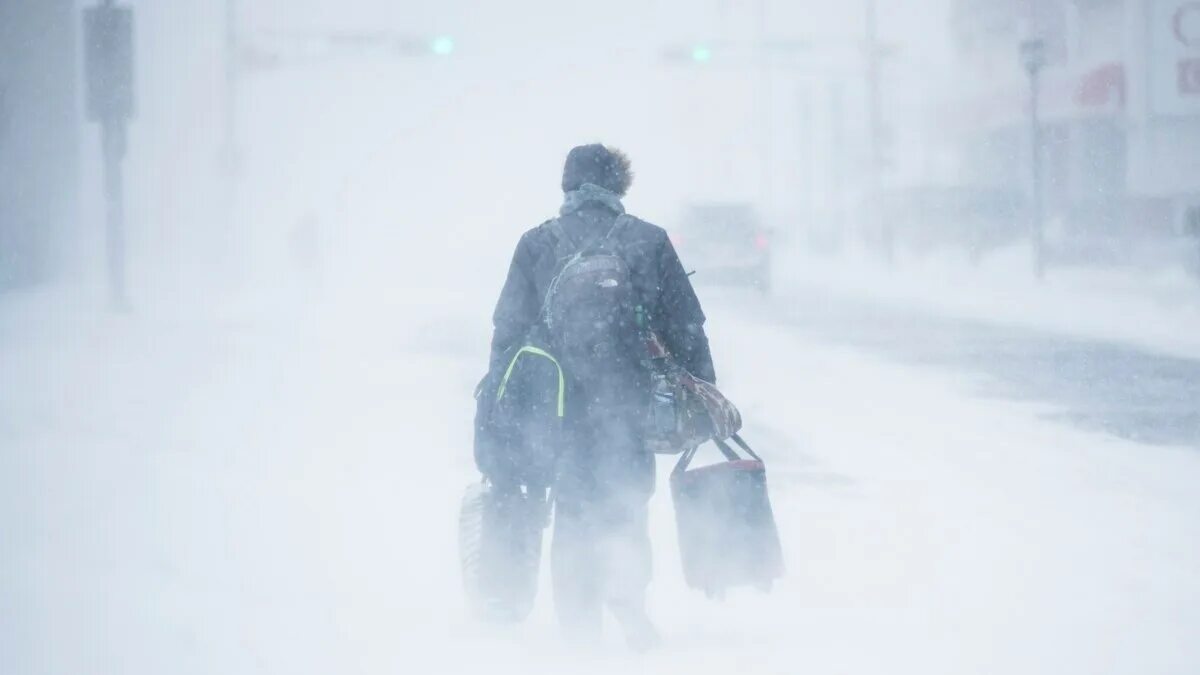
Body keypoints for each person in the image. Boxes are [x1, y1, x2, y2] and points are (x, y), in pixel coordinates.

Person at [488, 144, 715, 649]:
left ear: (567, 187)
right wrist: (702, 389)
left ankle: (577, 622)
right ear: (619, 187)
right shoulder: (648, 241)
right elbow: (686, 327)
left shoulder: (537, 243)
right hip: (629, 406)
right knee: (626, 502)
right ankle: (627, 599)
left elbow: (508, 331)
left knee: (570, 506)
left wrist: (497, 406)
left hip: (557, 408)